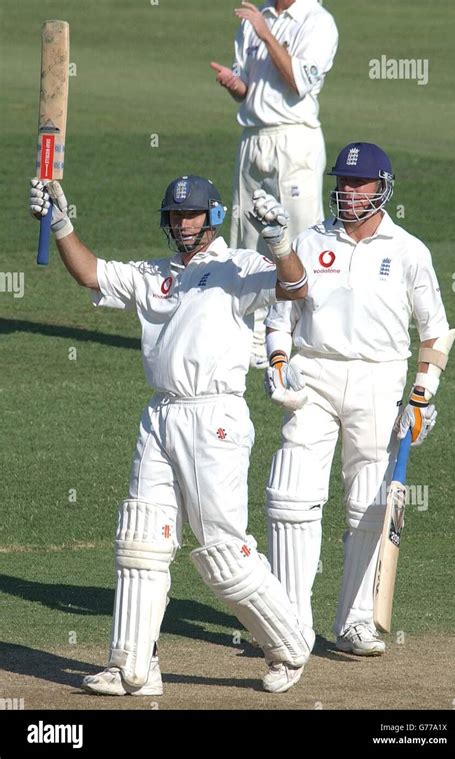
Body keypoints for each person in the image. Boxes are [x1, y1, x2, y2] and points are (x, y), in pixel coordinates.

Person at [29, 174, 313, 695]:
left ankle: (290, 645)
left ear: (213, 217)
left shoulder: (239, 267)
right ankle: (134, 668)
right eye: (176, 215)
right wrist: (61, 221)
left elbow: (295, 286)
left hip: (215, 417)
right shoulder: (152, 274)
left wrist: (278, 241)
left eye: (193, 214)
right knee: (141, 540)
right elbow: (90, 274)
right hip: (159, 416)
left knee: (222, 551)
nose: (184, 223)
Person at [262, 142, 455, 655]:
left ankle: (354, 623)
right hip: (315, 375)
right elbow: (281, 318)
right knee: (290, 499)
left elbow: (435, 334)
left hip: (380, 381)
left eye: (358, 184)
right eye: (342, 183)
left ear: (382, 188)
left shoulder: (409, 251)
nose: (347, 192)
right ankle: (291, 626)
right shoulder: (308, 240)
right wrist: (278, 360)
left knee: (369, 507)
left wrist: (422, 396)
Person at [211, 0, 338, 367]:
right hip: (252, 136)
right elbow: (248, 88)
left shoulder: (318, 22)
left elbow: (298, 81)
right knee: (249, 239)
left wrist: (266, 35)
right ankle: (252, 339)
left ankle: (303, 334)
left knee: (298, 239)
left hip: (294, 140)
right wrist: (236, 86)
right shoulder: (255, 17)